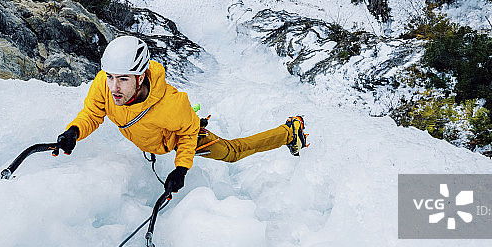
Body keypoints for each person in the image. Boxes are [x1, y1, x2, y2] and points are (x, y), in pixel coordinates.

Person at [55, 36, 308, 193]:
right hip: (152, 136)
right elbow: (92, 113)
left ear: (140, 77)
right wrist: (74, 132)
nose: (113, 88)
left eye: (122, 79)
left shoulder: (171, 105)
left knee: (232, 153)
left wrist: (181, 168)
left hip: (181, 135)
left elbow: (188, 133)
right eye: (110, 77)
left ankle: (289, 132)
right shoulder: (104, 85)